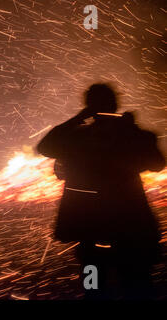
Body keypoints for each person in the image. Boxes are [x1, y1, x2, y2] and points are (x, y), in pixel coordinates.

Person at [37, 83, 165, 299]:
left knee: (97, 284)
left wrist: (79, 118)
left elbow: (45, 146)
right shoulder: (119, 136)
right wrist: (131, 130)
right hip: (125, 223)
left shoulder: (78, 137)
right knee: (133, 283)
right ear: (115, 105)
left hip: (95, 225)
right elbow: (157, 163)